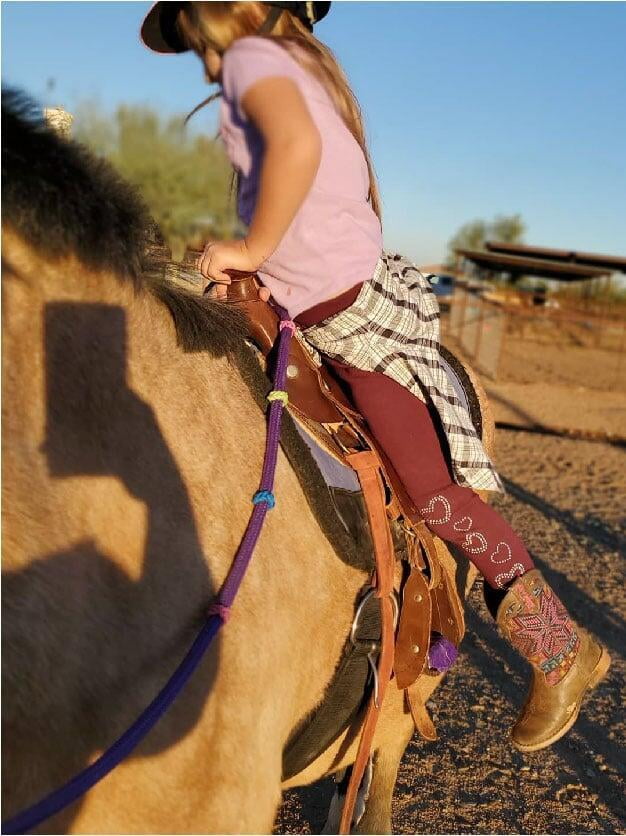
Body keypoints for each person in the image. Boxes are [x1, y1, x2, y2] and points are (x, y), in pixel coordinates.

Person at [140, 1, 610, 751]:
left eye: (201, 22)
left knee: (431, 493)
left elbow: (293, 151)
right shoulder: (306, 76)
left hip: (354, 330)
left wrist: (249, 249)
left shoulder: (259, 63)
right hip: (320, 312)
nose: (200, 45)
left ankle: (562, 651)